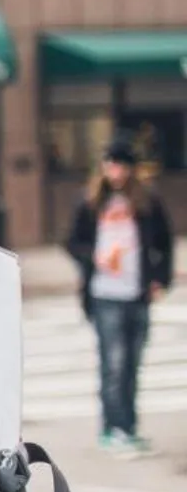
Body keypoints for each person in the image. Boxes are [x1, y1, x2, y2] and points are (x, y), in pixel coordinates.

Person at [66, 138, 174, 456]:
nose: (115, 171)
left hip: (136, 292)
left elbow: (164, 243)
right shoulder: (90, 202)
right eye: (110, 164)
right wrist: (93, 259)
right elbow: (72, 242)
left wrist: (159, 279)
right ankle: (111, 428)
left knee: (133, 364)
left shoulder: (147, 202)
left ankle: (128, 427)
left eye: (121, 165)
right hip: (104, 293)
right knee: (113, 363)